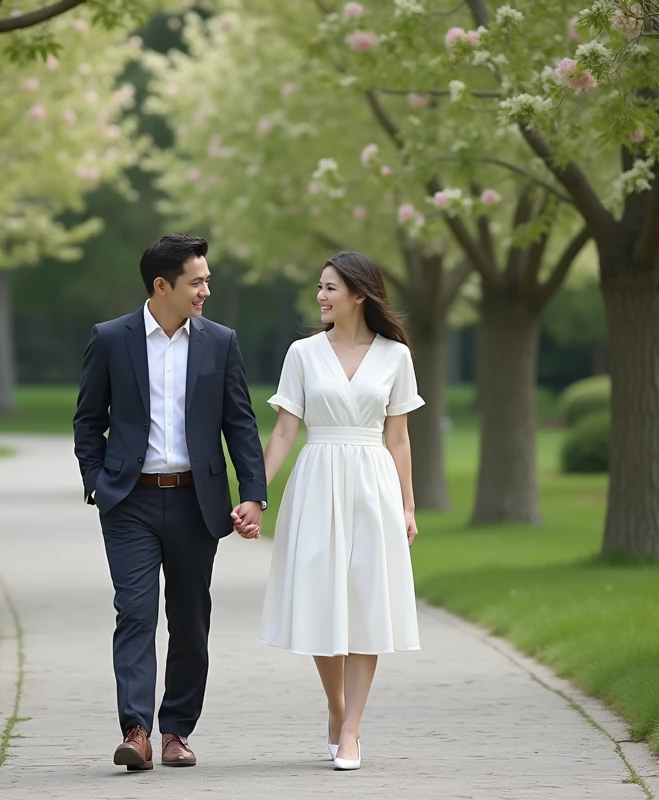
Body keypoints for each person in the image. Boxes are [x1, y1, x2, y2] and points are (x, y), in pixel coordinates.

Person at [72, 233, 268, 771]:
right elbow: (88, 420)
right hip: (129, 503)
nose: (206, 289)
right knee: (134, 613)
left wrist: (253, 494)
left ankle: (176, 731)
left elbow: (240, 423)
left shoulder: (220, 342)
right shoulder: (111, 339)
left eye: (206, 279)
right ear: (162, 286)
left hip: (194, 503)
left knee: (189, 620)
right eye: (197, 281)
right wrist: (96, 480)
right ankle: (136, 731)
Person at [255, 250, 423, 772]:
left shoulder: (396, 356)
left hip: (373, 481)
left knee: (367, 600)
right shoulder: (303, 353)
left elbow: (399, 438)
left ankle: (352, 730)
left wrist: (408, 504)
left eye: (330, 287)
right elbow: (285, 429)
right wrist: (254, 492)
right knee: (322, 597)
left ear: (359, 294)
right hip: (318, 478)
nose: (321, 296)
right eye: (320, 286)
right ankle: (336, 706)